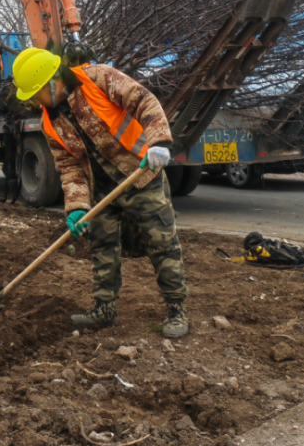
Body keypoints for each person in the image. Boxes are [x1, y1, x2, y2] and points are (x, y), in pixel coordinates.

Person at [12, 48, 190, 338]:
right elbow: (68, 166)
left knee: (162, 242)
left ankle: (175, 306)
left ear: (52, 81)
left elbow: (144, 101)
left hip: (140, 174)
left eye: (35, 93)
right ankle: (105, 309)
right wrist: (77, 206)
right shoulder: (49, 121)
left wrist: (159, 141)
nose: (33, 100)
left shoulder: (98, 78)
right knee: (103, 248)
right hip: (101, 188)